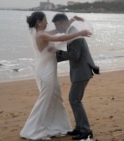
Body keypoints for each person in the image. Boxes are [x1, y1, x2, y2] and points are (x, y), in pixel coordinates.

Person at [20, 11, 92, 140]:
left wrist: (72, 20)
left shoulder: (42, 33)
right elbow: (60, 38)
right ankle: (32, 129)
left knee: (56, 98)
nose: (47, 22)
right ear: (39, 22)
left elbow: (60, 30)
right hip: (46, 72)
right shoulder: (42, 35)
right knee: (45, 99)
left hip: (49, 70)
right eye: (45, 20)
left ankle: (56, 126)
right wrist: (80, 33)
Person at [52, 13, 100, 140]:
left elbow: (75, 55)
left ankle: (86, 130)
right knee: (74, 100)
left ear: (62, 23)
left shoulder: (74, 34)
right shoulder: (72, 31)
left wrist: (57, 54)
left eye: (57, 25)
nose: (57, 28)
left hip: (82, 72)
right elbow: (74, 54)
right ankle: (79, 128)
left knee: (74, 100)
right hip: (79, 71)